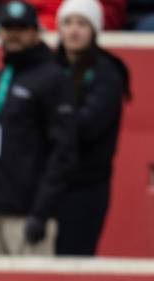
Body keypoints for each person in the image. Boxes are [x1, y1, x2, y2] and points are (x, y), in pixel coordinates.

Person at [0, 0, 77, 256]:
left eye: (22, 28)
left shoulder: (53, 78)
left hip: (29, 213)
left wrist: (42, 212)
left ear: (35, 32)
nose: (14, 34)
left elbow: (63, 152)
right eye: (8, 28)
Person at [54, 0, 129, 255]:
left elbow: (86, 127)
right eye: (68, 23)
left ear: (95, 30)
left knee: (73, 256)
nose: (74, 30)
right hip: (48, 185)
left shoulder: (107, 74)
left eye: (82, 24)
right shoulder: (49, 68)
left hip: (85, 186)